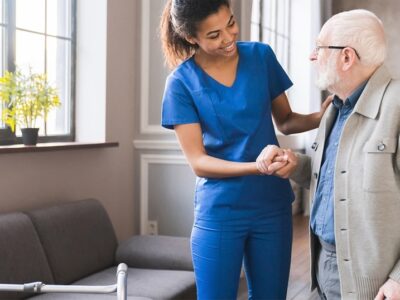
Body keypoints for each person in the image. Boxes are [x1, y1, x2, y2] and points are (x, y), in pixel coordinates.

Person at [159, 0, 330, 299]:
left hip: (272, 206)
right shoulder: (180, 83)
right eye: (214, 35)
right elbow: (199, 162)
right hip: (220, 210)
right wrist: (258, 167)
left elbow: (286, 121)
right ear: (191, 38)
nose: (228, 38)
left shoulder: (260, 56)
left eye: (231, 23)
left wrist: (321, 116)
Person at [257, 9, 400, 300]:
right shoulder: (334, 108)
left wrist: (398, 278)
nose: (312, 56)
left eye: (319, 48)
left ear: (347, 57)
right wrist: (295, 163)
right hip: (323, 264)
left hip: (374, 283)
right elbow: (339, 176)